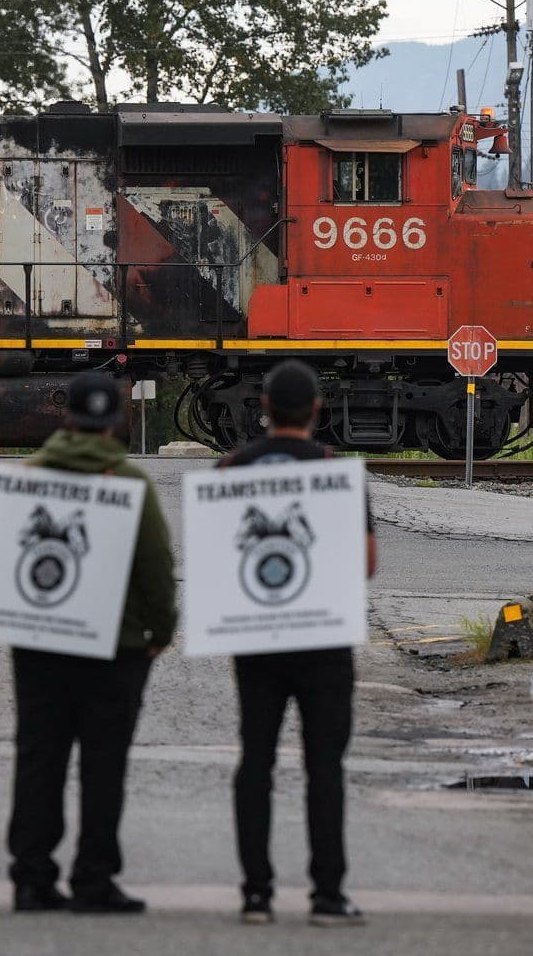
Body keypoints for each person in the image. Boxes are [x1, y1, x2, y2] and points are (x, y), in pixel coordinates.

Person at [6, 372, 177, 915]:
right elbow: (155, 568)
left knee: (39, 756)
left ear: (68, 416)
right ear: (114, 424)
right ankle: (93, 878)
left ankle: (32, 878)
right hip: (116, 648)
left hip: (39, 641)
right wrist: (160, 632)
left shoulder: (26, 478)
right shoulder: (130, 482)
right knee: (105, 765)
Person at [217, 359, 377, 927]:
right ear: (316, 410)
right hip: (323, 642)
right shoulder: (337, 470)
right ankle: (328, 895)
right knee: (324, 765)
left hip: (257, 638)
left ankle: (256, 894)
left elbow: (219, 559)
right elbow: (365, 564)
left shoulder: (232, 467)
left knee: (255, 759)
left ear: (263, 408)